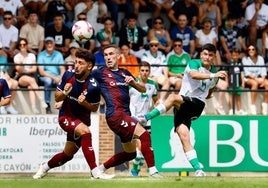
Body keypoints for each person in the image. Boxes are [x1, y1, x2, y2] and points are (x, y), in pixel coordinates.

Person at [138, 43, 227, 177]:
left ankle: (146, 118)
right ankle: (198, 170)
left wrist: (212, 78)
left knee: (173, 97)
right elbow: (195, 76)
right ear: (201, 54)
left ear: (214, 57)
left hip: (196, 104)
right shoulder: (194, 63)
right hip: (183, 106)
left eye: (210, 55)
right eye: (205, 54)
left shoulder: (213, 75)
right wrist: (210, 77)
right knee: (184, 137)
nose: (207, 57)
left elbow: (207, 92)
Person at [32, 48, 114, 180]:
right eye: (75, 62)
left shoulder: (93, 85)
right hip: (66, 116)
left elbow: (95, 108)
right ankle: (95, 172)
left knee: (67, 155)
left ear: (89, 66)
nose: (76, 66)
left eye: (80, 63)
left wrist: (85, 103)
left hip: (81, 119)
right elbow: (57, 97)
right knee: (86, 132)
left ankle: (44, 167)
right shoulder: (68, 75)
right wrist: (64, 93)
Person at [91, 44, 162, 178]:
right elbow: (84, 79)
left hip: (124, 115)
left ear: (118, 56)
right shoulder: (100, 72)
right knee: (145, 135)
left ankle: (99, 169)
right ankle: (153, 171)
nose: (108, 57)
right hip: (115, 114)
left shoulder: (125, 73)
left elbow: (143, 89)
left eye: (111, 54)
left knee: (131, 153)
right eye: (106, 55)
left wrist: (133, 83)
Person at [129, 61, 159, 176]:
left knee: (145, 151)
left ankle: (135, 170)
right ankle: (136, 170)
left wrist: (157, 106)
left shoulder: (153, 85)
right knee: (141, 151)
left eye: (147, 71)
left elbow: (156, 101)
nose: (144, 73)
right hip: (134, 120)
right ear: (139, 71)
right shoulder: (132, 83)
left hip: (147, 120)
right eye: (142, 70)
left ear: (149, 72)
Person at [14, 38, 47, 114]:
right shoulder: (17, 56)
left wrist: (23, 68)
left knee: (30, 87)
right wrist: (22, 65)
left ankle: (33, 107)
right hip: (21, 77)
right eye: (20, 45)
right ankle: (41, 99)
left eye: (24, 44)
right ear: (19, 46)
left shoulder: (31, 55)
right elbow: (19, 70)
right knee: (31, 80)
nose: (22, 46)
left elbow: (34, 69)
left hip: (30, 76)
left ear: (27, 45)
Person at [37, 36, 65, 114]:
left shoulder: (58, 54)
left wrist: (61, 77)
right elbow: (41, 72)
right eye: (47, 43)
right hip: (45, 77)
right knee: (48, 81)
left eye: (51, 43)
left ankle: (62, 104)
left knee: (62, 81)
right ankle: (48, 104)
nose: (49, 45)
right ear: (45, 45)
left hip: (56, 76)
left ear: (54, 44)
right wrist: (54, 77)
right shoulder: (41, 55)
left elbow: (62, 68)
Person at [141, 38, 170, 102]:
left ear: (158, 46)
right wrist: (151, 75)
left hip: (159, 75)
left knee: (167, 81)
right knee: (154, 82)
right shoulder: (145, 54)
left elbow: (165, 66)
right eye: (152, 45)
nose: (154, 47)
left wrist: (166, 77)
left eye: (156, 45)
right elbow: (145, 67)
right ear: (149, 46)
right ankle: (156, 101)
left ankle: (161, 100)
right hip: (149, 75)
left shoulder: (161, 54)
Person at [242, 44, 268, 115]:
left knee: (267, 84)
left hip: (260, 78)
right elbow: (247, 72)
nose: (251, 51)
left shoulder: (260, 58)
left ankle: (265, 105)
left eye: (253, 49)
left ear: (256, 50)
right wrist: (257, 79)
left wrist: (262, 79)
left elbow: (263, 71)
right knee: (255, 83)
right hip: (249, 78)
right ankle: (252, 106)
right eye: (249, 49)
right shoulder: (245, 59)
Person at [226, 48, 247, 115]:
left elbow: (242, 74)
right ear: (231, 56)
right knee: (230, 97)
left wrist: (243, 83)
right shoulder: (229, 64)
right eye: (233, 55)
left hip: (238, 84)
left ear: (238, 55)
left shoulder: (240, 64)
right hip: (231, 84)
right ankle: (231, 110)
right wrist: (226, 82)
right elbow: (226, 74)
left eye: (236, 55)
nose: (235, 57)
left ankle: (239, 110)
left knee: (238, 97)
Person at [0, 43, 18, 114]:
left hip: (3, 77)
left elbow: (5, 71)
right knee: (7, 83)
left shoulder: (3, 59)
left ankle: (9, 106)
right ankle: (2, 105)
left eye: (0, 49)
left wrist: (7, 76)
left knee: (15, 83)